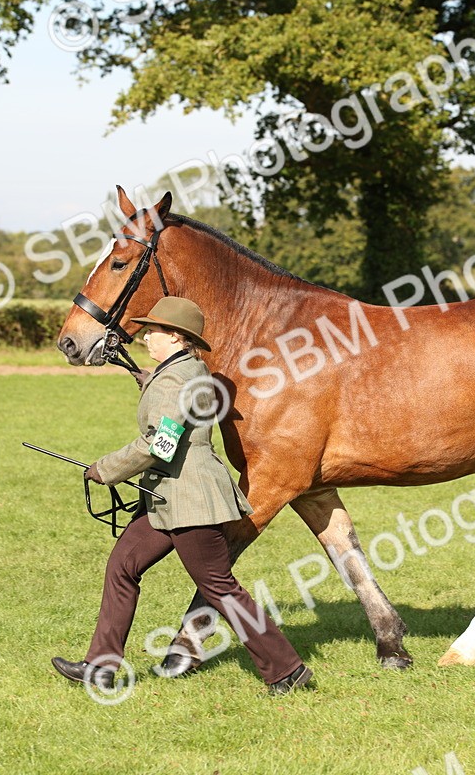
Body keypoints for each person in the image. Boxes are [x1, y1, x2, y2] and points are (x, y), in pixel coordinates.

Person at [51, 296, 314, 696]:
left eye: (154, 330)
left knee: (220, 588)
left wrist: (105, 469)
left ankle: (287, 670)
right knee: (123, 566)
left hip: (189, 499)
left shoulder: (176, 377)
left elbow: (160, 442)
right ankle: (100, 667)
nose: (146, 336)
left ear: (175, 337)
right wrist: (151, 381)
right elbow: (184, 404)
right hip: (165, 501)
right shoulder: (183, 371)